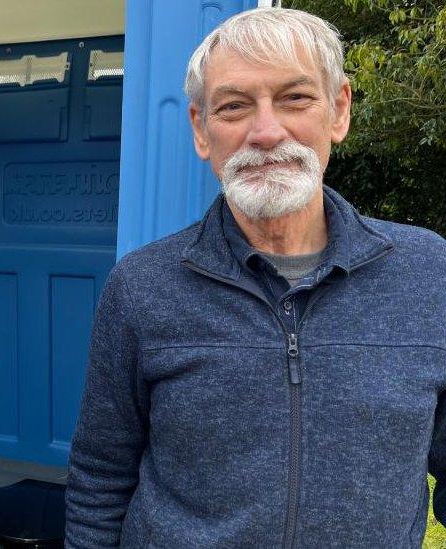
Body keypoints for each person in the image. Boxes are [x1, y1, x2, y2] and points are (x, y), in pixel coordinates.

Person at [65, 7, 446, 548]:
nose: (265, 132)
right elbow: (100, 479)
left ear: (338, 111)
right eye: (234, 106)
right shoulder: (142, 286)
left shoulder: (429, 272)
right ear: (201, 130)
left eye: (295, 98)